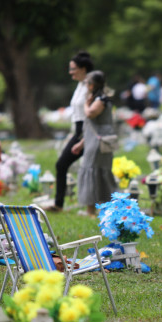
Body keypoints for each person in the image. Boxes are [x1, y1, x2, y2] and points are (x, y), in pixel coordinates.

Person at [46, 51, 93, 212]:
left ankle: (92, 207)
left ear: (83, 69)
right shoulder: (80, 85)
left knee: (88, 169)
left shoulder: (90, 85)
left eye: (73, 69)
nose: (70, 72)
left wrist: (84, 139)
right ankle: (59, 204)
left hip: (87, 131)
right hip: (78, 131)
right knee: (63, 165)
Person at [74, 71, 117, 216]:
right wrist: (81, 144)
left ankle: (91, 210)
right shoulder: (98, 98)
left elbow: (90, 114)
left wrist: (85, 105)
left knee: (92, 171)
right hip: (97, 139)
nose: (85, 85)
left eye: (87, 82)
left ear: (92, 85)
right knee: (97, 172)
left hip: (99, 142)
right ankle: (100, 208)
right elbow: (91, 126)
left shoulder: (100, 100)